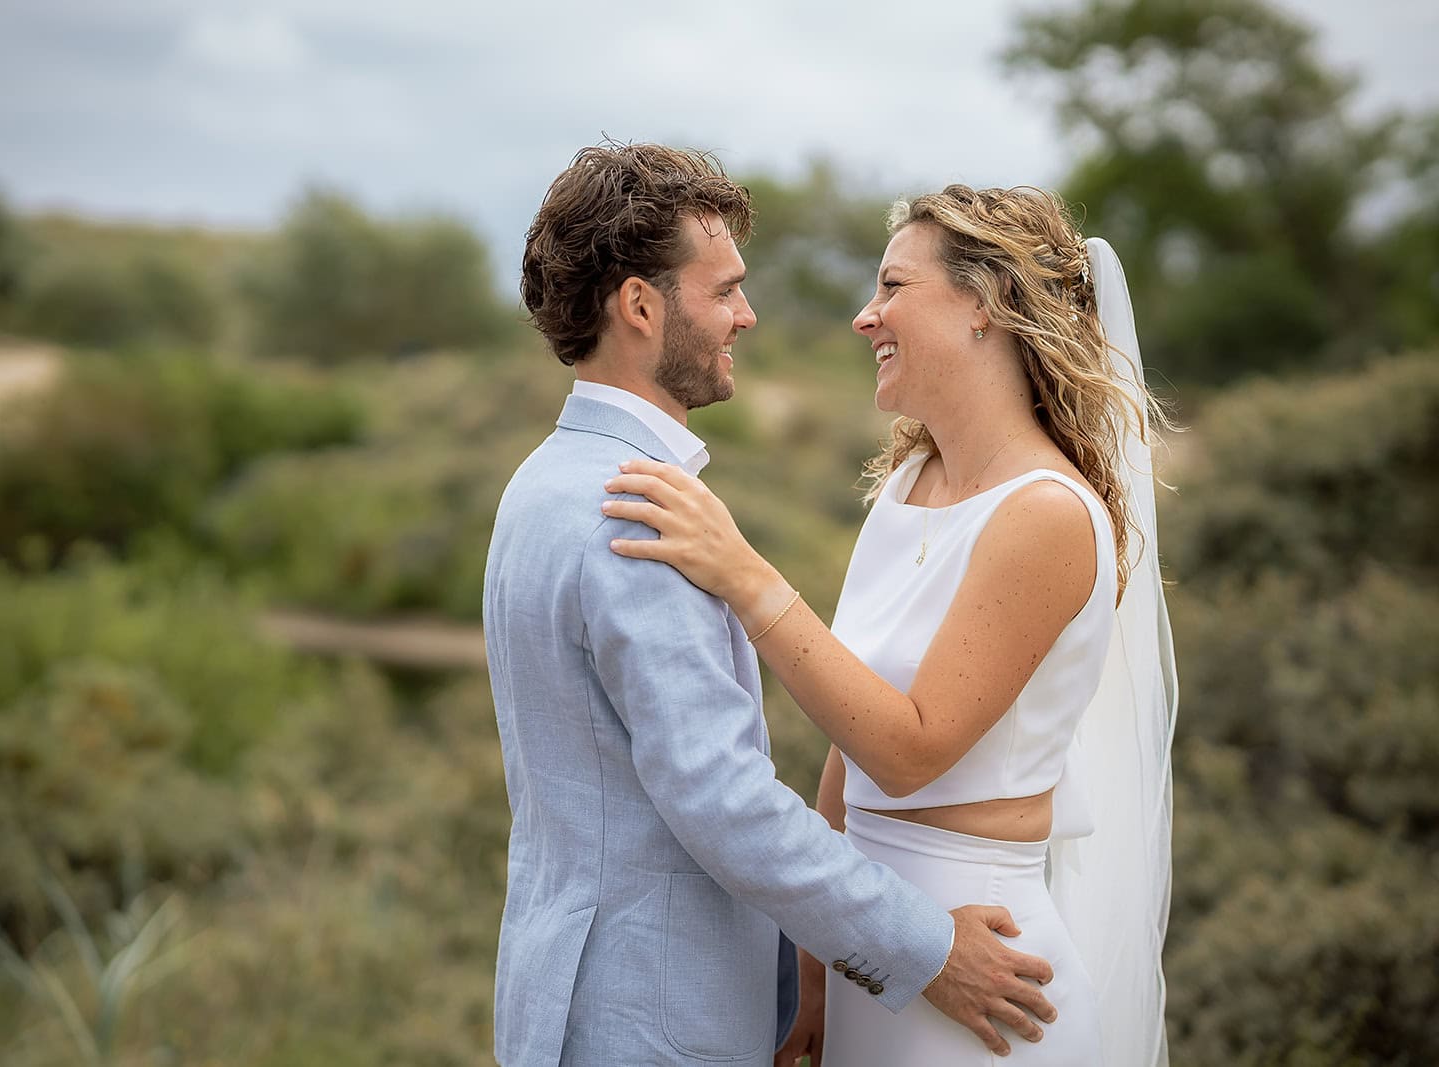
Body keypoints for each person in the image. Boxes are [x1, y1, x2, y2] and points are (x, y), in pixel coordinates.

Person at [483, 147, 1065, 1066]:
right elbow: (723, 800)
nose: (747, 315)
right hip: (649, 1019)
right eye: (724, 291)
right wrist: (927, 949)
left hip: (570, 995)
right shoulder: (636, 511)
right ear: (640, 306)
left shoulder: (543, 481)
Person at [603, 184, 1177, 1065]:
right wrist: (820, 967)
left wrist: (743, 573)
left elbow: (909, 751)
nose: (865, 316)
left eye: (893, 286)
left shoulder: (1047, 514)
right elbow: (853, 742)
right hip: (881, 959)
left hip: (987, 976)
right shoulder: (910, 483)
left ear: (986, 304)